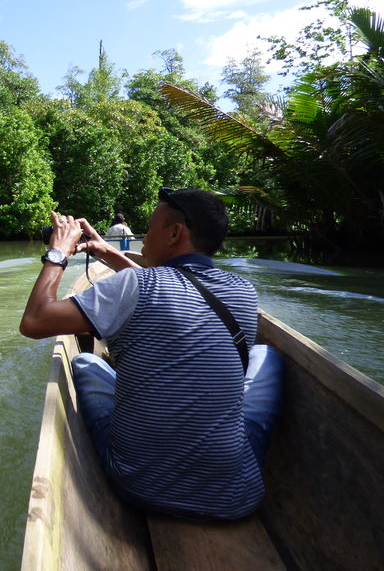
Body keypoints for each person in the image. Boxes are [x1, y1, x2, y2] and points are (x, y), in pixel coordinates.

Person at [19, 188, 282, 520]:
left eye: (150, 227)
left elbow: (35, 320)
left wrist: (58, 252)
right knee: (266, 357)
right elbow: (175, 288)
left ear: (174, 233)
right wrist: (105, 252)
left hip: (142, 486)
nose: (143, 237)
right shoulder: (243, 291)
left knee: (85, 361)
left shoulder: (134, 286)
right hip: (235, 496)